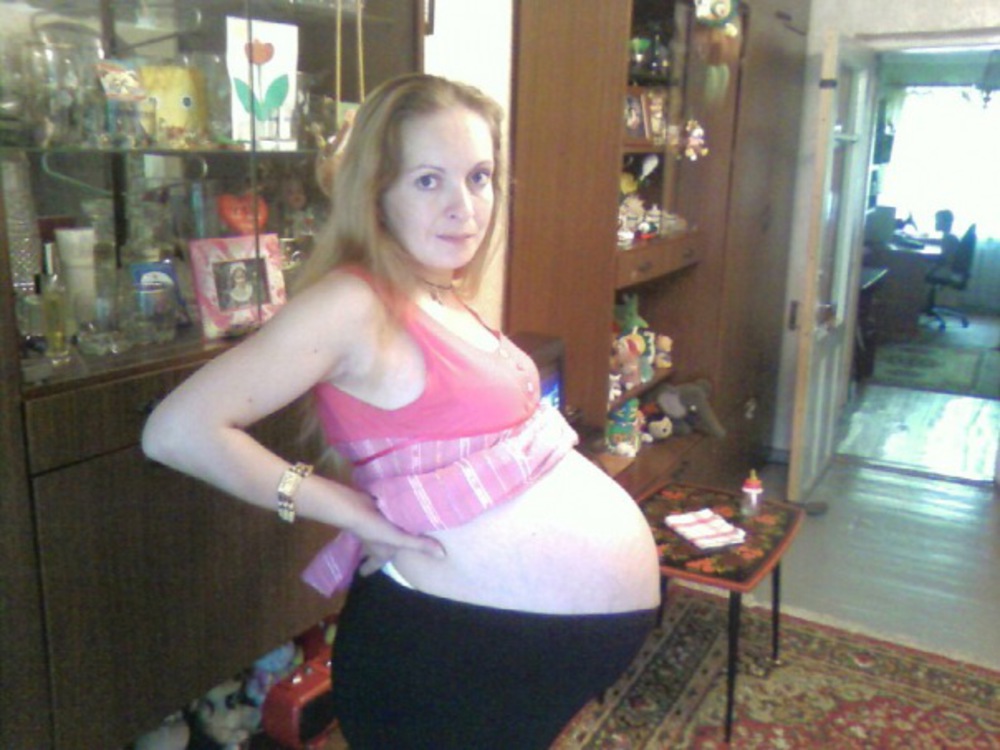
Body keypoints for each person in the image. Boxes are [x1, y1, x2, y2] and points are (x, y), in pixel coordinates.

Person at [142, 73, 660, 749]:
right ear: (376, 192)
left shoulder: (438, 291)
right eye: (428, 180)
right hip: (436, 655)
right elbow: (177, 431)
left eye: (478, 177)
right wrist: (349, 509)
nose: (463, 207)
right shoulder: (353, 302)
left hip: (493, 654)